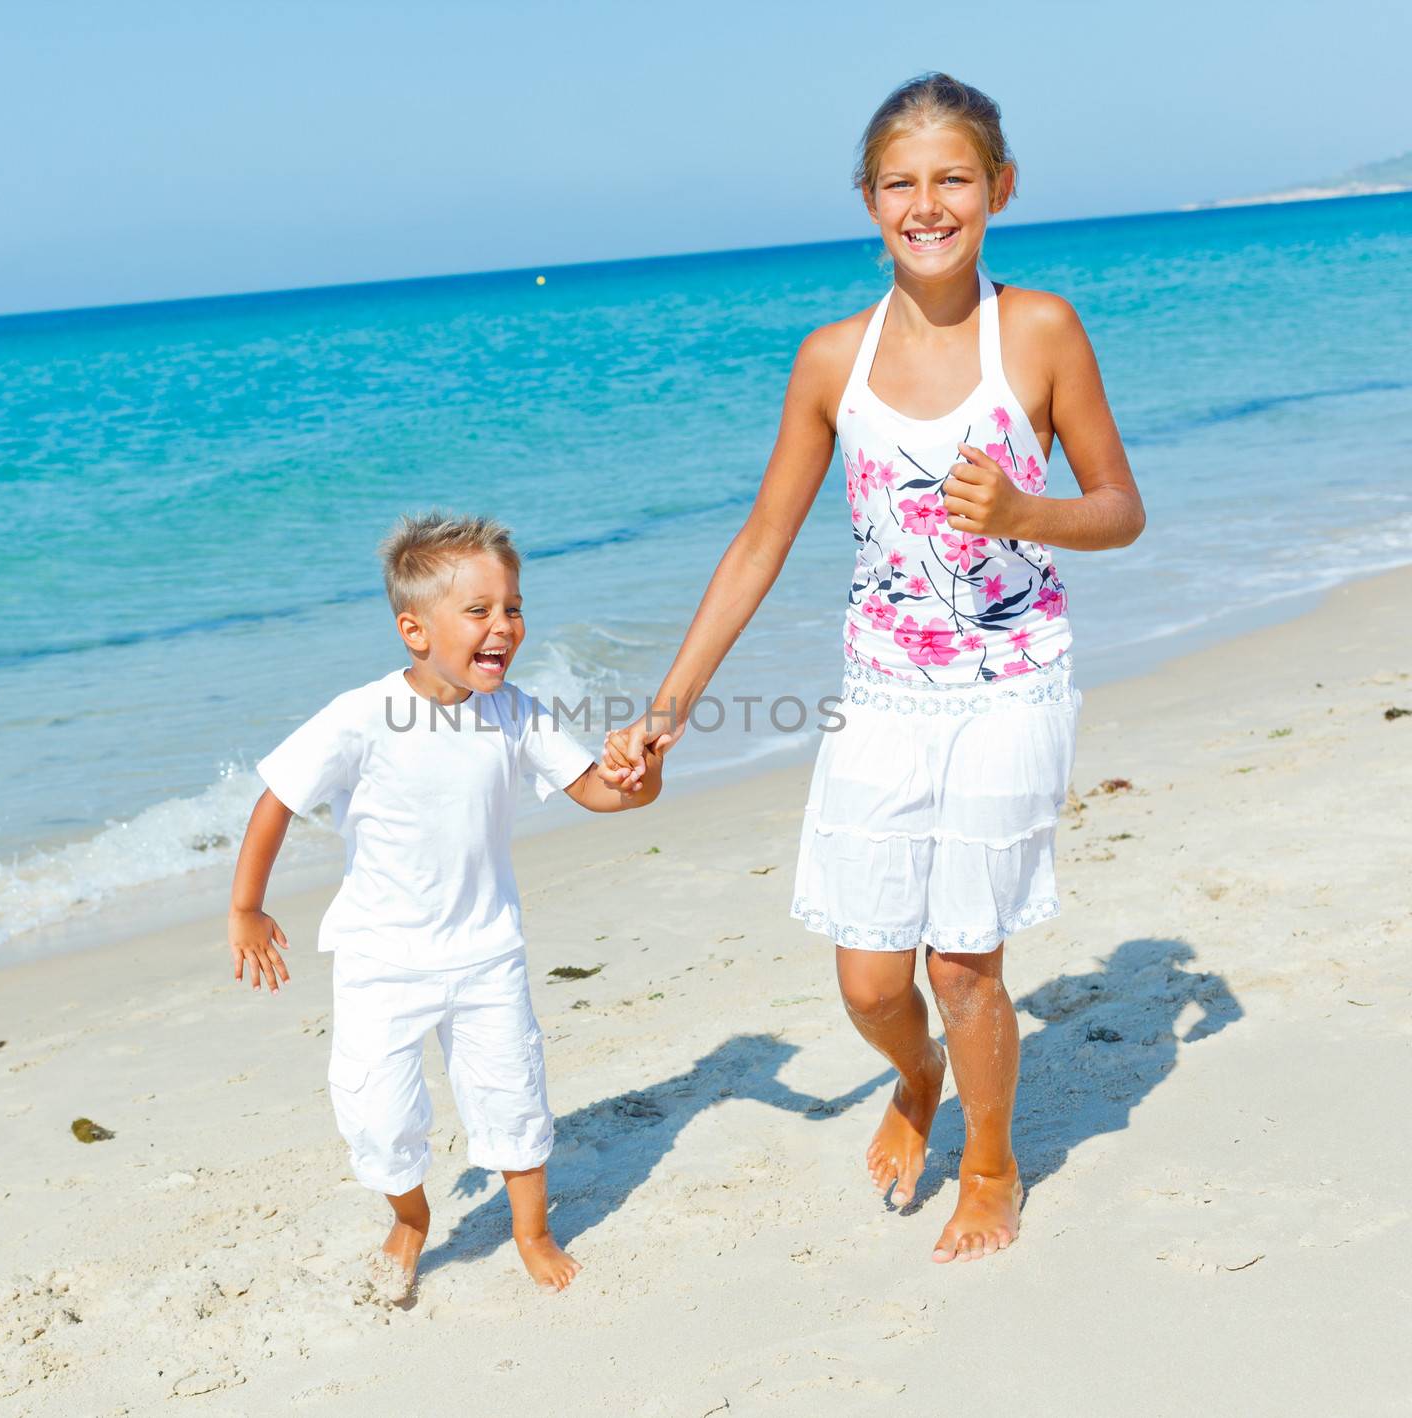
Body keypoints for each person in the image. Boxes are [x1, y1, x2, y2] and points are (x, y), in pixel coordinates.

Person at [603, 73, 1145, 1264]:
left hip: (1012, 681)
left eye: (953, 177)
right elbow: (758, 545)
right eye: (901, 182)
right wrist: (665, 712)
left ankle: (991, 1161)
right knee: (866, 980)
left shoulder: (1041, 330)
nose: (928, 202)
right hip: (884, 693)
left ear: (999, 188)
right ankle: (918, 1078)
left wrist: (1023, 510)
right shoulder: (827, 361)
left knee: (963, 959)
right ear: (866, 200)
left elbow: (1118, 508)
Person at [227, 511, 666, 1294]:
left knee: (513, 1095)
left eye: (515, 608)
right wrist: (246, 909)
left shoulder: (516, 712)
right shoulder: (363, 717)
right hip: (380, 960)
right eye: (480, 612)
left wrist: (642, 778)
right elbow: (278, 798)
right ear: (415, 629)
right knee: (378, 1114)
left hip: (485, 949)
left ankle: (531, 1229)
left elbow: (597, 792)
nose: (505, 626)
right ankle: (411, 1216)